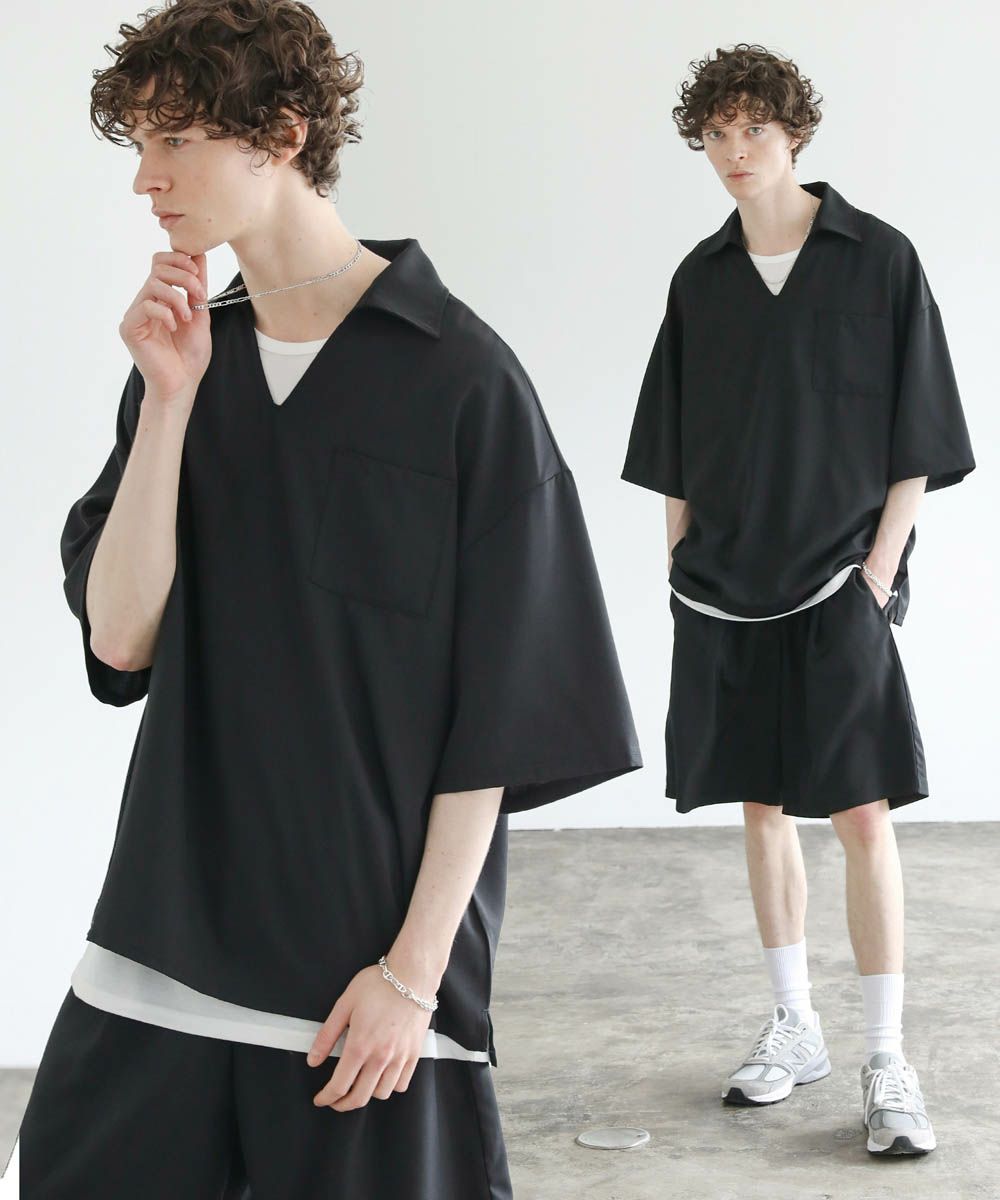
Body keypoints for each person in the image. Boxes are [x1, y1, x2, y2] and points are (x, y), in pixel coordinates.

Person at [15, 2, 642, 1195]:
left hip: (360, 988)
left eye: (176, 140)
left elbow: (500, 720)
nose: (146, 180)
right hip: (161, 945)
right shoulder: (184, 364)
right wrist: (168, 404)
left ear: (284, 132)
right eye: (139, 147)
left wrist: (413, 977)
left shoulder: (463, 383)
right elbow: (121, 636)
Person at [621, 43, 975, 1157]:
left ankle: (886, 1056)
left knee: (861, 812)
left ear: (794, 134)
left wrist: (878, 573)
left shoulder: (879, 260)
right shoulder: (700, 279)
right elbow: (672, 443)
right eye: (716, 135)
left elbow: (920, 433)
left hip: (838, 583)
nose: (735, 153)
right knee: (761, 805)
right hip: (722, 590)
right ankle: (795, 1025)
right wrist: (678, 564)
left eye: (754, 131)